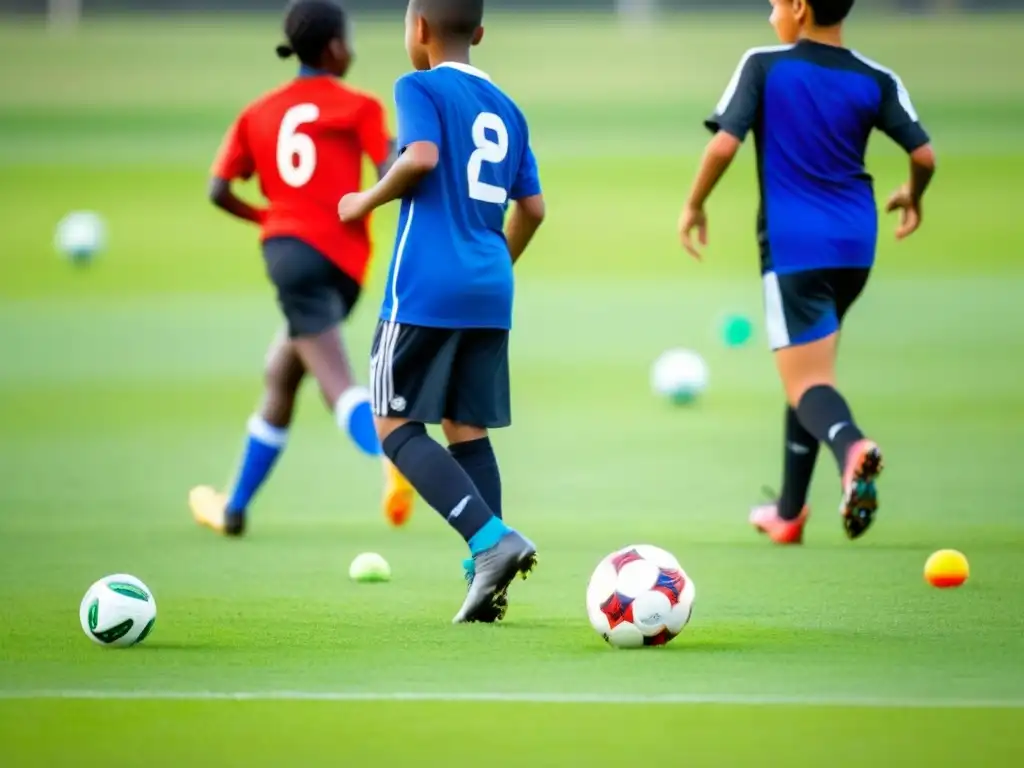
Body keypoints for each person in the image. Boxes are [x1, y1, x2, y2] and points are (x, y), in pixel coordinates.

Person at [678, 0, 936, 544]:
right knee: (808, 371)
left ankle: (852, 448)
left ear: (798, 7)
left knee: (808, 380)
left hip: (794, 247)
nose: (770, 12)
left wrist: (694, 204)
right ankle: (789, 512)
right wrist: (912, 196)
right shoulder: (876, 77)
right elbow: (925, 154)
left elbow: (725, 142)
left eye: (774, 3)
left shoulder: (765, 64)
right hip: (855, 246)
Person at [338, 0, 547, 622]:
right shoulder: (509, 108)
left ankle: (490, 544)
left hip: (426, 287)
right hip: (491, 288)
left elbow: (421, 157)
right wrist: (494, 266)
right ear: (478, 32)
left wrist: (365, 201)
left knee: (393, 425)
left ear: (419, 29)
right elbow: (533, 209)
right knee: (465, 427)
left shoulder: (418, 85)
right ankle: (485, 584)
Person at [189, 0, 415, 537]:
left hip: (290, 254)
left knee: (335, 382)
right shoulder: (359, 106)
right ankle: (234, 507)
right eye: (350, 38)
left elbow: (218, 190)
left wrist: (267, 217)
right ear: (334, 47)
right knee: (281, 375)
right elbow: (392, 171)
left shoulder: (259, 112)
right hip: (344, 263)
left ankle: (391, 451)